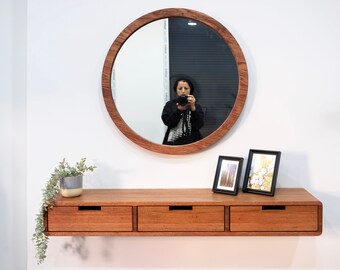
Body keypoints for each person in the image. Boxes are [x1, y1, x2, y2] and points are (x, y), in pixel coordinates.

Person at [161, 78, 204, 145]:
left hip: (193, 143)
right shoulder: (170, 104)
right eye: (180, 88)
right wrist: (179, 110)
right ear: (176, 91)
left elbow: (198, 125)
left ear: (190, 90)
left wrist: (193, 108)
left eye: (186, 88)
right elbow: (168, 122)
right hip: (173, 143)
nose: (183, 91)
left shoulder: (196, 106)